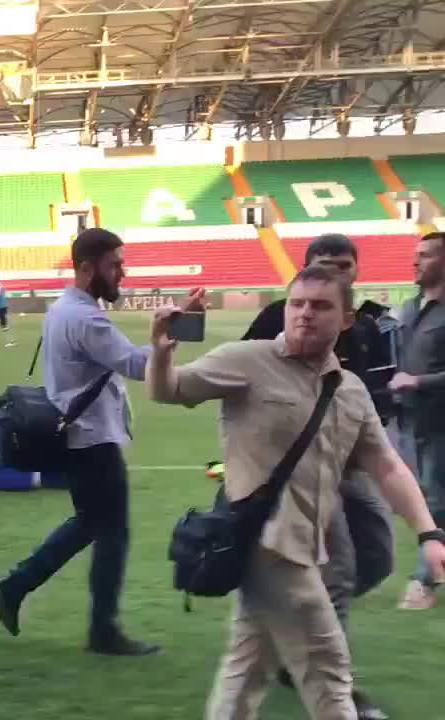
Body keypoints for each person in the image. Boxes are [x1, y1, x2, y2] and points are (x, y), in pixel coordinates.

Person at [146, 264, 445, 720]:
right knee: (328, 666)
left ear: (346, 319)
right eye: (297, 303)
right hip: (267, 544)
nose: (305, 313)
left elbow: (387, 466)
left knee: (248, 668)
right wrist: (161, 352)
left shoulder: (349, 390)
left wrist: (429, 534)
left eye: (321, 306)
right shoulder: (246, 360)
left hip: (307, 546)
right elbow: (168, 390)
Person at [0, 228, 198, 656]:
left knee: (92, 523)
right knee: (111, 532)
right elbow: (138, 365)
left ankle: (17, 587)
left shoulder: (65, 308)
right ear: (87, 268)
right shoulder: (87, 318)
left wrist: (176, 324)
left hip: (78, 434)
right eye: (114, 264)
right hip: (92, 439)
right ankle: (101, 629)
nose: (123, 272)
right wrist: (165, 336)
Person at [238, 234, 394, 718]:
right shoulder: (279, 316)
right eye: (325, 264)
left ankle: (296, 628)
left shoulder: (365, 327)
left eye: (344, 265)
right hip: (298, 469)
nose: (336, 272)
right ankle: (335, 688)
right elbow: (241, 381)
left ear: (356, 271)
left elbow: (380, 392)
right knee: (339, 572)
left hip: (352, 463)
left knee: (379, 557)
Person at [391, 230, 445, 610]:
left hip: (440, 422)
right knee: (419, 499)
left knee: (434, 501)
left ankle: (424, 582)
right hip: (407, 420)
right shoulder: (409, 307)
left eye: (425, 255)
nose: (415, 261)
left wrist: (419, 381)